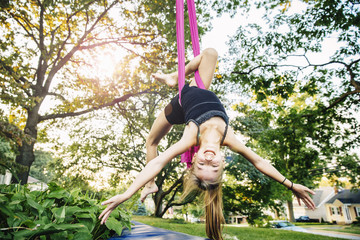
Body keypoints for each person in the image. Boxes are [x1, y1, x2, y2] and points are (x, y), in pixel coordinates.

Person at [99, 48, 316, 240]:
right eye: (214, 166)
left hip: (180, 106)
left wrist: (127, 193)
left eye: (202, 166)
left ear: (193, 160)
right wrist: (291, 185)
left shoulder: (191, 137)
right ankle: (176, 77)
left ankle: (150, 185)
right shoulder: (229, 139)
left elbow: (158, 162)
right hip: (198, 87)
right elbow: (259, 161)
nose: (209, 160)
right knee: (211, 53)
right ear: (223, 161)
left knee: (151, 141)